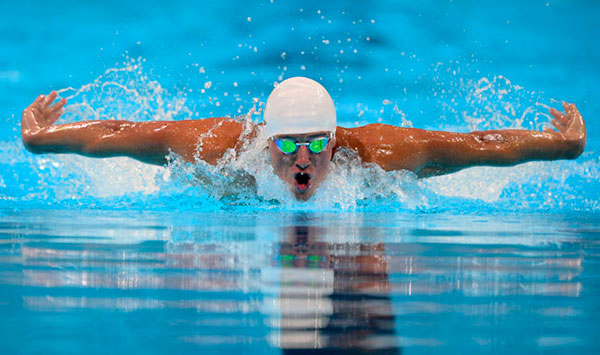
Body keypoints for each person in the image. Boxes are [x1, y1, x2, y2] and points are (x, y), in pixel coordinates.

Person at [21, 77, 586, 201]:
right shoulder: (220, 149)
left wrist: (561, 145)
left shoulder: (376, 155)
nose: (301, 159)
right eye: (288, 145)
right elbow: (124, 134)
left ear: (335, 141)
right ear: (266, 140)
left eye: (317, 145)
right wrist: (43, 139)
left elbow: (476, 144)